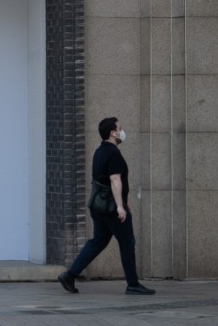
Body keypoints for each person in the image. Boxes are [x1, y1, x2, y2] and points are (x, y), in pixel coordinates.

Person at [56, 117, 155, 295]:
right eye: (120, 128)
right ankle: (132, 284)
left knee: (98, 242)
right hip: (111, 208)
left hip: (98, 207)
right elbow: (114, 180)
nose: (122, 131)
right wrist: (120, 207)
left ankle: (70, 275)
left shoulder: (99, 151)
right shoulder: (113, 153)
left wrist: (123, 204)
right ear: (113, 132)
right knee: (127, 243)